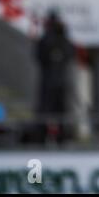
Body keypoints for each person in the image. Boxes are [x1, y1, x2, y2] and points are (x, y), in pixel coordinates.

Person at [35, 10, 76, 144]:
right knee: (45, 110)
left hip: (61, 81)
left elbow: (69, 53)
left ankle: (62, 137)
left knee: (62, 110)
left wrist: (62, 34)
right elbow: (40, 56)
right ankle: (41, 137)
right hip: (48, 81)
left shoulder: (64, 40)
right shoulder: (45, 39)